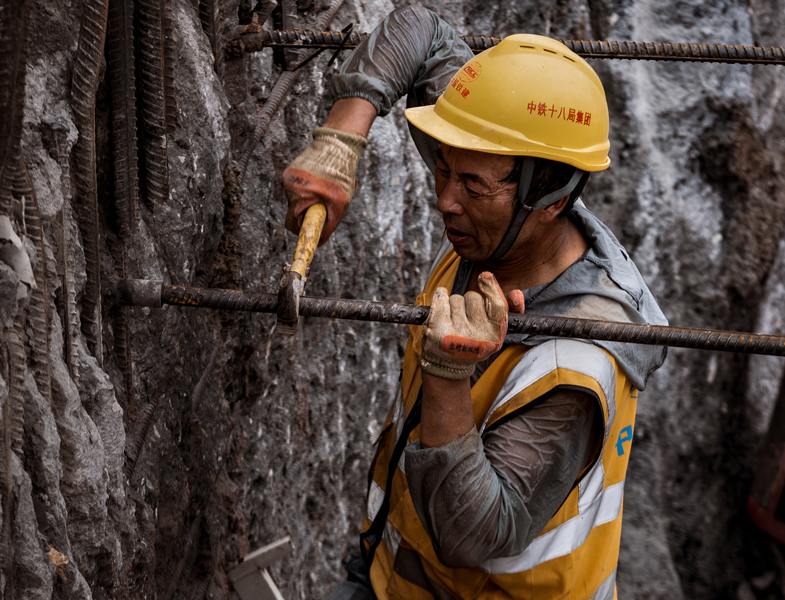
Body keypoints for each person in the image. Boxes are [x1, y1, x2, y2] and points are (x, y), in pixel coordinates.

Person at [281, 7, 668, 600]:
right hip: (393, 575)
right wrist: (341, 140)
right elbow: (421, 31)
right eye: (442, 167)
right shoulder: (495, 202)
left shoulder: (577, 362)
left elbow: (473, 534)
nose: (445, 201)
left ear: (551, 195)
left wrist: (447, 376)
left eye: (472, 185)